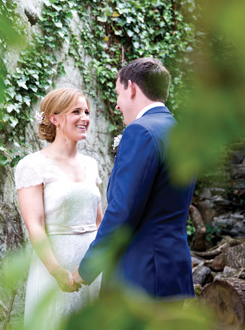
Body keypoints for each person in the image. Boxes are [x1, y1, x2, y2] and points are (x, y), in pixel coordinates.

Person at [73, 57, 196, 300]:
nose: (117, 105)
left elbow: (123, 211)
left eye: (118, 94)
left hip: (139, 276)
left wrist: (86, 269)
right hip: (173, 271)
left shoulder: (140, 132)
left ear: (132, 88)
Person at [15, 88, 103, 328]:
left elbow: (99, 222)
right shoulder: (32, 165)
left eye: (87, 112)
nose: (85, 118)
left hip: (90, 267)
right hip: (55, 265)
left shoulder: (92, 165)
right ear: (54, 119)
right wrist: (56, 271)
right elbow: (35, 225)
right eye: (76, 112)